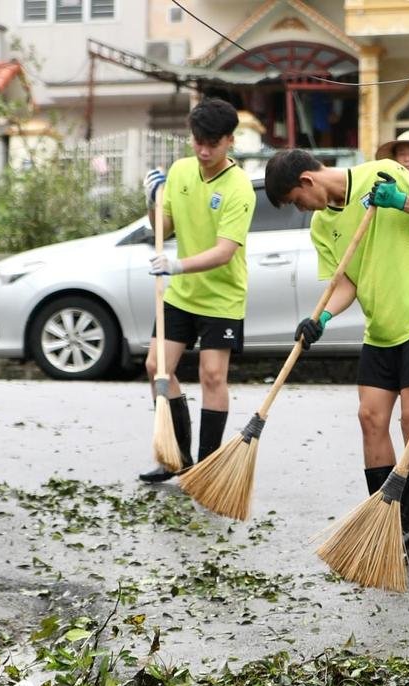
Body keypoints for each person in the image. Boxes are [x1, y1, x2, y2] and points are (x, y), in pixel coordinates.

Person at [264, 149, 409, 564]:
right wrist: (322, 318)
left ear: (307, 182)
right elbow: (346, 282)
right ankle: (381, 524)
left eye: (298, 201)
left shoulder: (384, 174)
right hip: (382, 328)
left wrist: (399, 202)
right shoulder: (322, 225)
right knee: (370, 418)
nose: (302, 209)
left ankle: (408, 529)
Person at [138, 98, 256, 483]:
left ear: (230, 141)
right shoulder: (182, 170)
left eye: (213, 143)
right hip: (182, 295)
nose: (204, 151)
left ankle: (206, 467)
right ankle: (178, 457)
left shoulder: (239, 188)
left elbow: (225, 252)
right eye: (198, 141)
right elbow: (163, 227)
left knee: (211, 376)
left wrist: (176, 265)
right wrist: (152, 201)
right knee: (157, 367)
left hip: (222, 296)